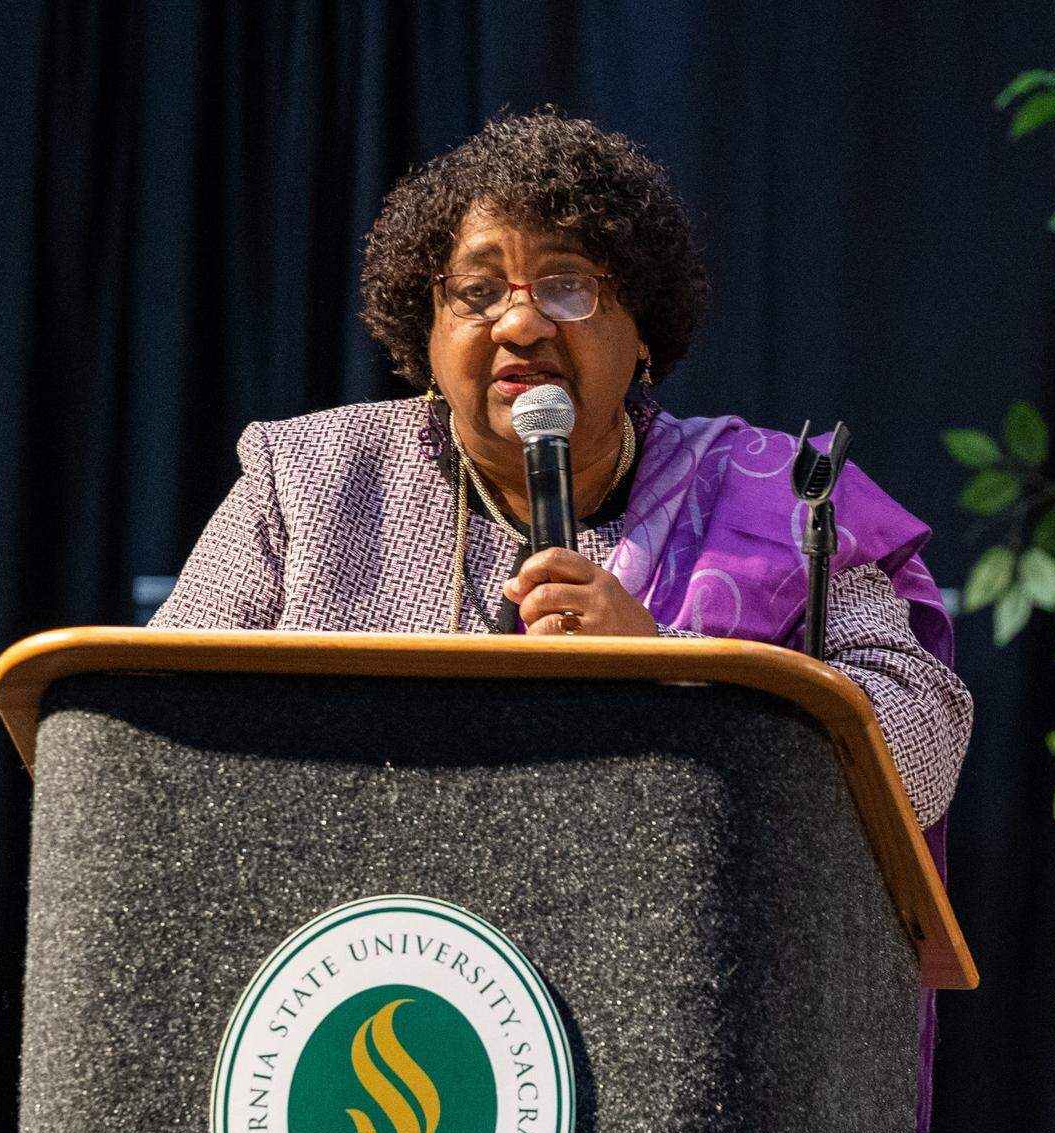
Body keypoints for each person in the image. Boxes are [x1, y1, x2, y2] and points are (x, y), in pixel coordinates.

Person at [151, 110, 971, 839]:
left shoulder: (781, 496)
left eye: (568, 287)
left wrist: (670, 666)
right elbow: (148, 726)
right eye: (476, 291)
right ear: (425, 334)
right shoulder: (305, 480)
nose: (520, 321)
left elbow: (923, 743)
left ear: (642, 329)